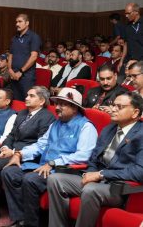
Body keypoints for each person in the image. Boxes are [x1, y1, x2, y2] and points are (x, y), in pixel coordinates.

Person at [1, 87, 98, 227]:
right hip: (43, 165)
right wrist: (20, 154)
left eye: (62, 104)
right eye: (57, 103)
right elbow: (40, 145)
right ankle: (20, 219)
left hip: (62, 171)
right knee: (9, 172)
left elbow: (83, 156)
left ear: (75, 108)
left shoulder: (86, 127)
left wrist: (53, 163)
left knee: (30, 179)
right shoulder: (55, 123)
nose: (57, 107)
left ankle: (31, 224)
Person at [48, 92, 143, 227]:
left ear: (135, 113)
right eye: (113, 105)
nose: (113, 109)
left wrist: (100, 174)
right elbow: (93, 158)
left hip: (119, 187)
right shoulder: (109, 129)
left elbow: (139, 171)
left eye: (119, 106)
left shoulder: (140, 134)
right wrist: (90, 173)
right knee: (55, 179)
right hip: (98, 180)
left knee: (90, 189)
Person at [0, 86, 56, 225]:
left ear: (42, 101)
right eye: (27, 95)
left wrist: (14, 152)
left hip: (28, 155)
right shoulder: (23, 113)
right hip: (10, 149)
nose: (26, 98)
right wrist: (6, 146)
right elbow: (11, 135)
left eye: (31, 96)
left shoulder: (47, 117)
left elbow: (40, 144)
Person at [8, 14, 41, 101]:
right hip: (13, 76)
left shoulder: (34, 37)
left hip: (26, 77)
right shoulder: (14, 38)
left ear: (27, 23)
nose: (17, 24)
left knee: (27, 101)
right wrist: (10, 69)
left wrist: (21, 71)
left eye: (20, 21)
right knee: (15, 102)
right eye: (16, 22)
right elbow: (11, 55)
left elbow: (33, 57)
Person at [124, 3, 143, 67]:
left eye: (128, 13)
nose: (126, 16)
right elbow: (126, 44)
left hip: (141, 61)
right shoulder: (127, 26)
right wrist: (121, 60)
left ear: (136, 12)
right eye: (125, 13)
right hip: (128, 60)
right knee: (120, 77)